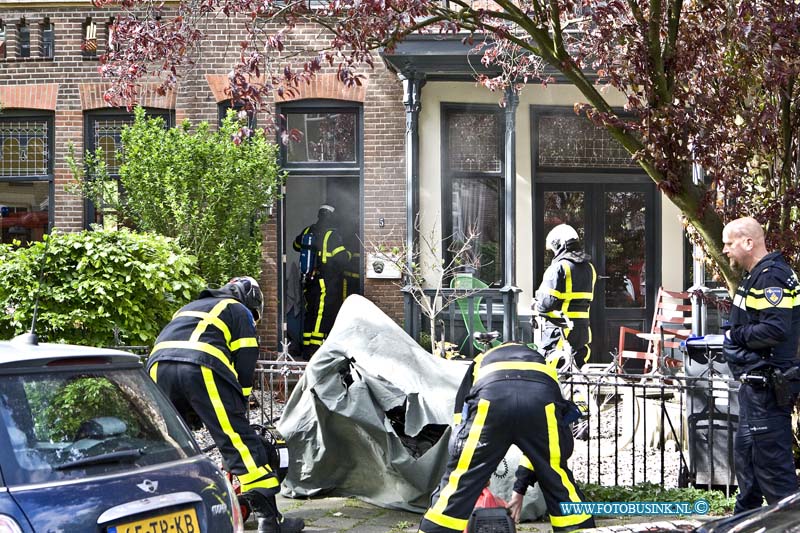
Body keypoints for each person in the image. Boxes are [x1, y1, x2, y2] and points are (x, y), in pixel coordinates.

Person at [147, 277, 305, 533]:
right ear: (250, 299)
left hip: (158, 366)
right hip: (200, 364)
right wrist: (240, 405)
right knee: (239, 442)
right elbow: (245, 361)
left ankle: (167, 513)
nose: (253, 319)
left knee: (172, 442)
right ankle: (270, 521)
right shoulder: (237, 309)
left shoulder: (190, 306)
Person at [417, 342, 595, 533]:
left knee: (459, 483)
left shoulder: (480, 360)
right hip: (540, 403)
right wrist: (520, 488)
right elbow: (539, 453)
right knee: (556, 477)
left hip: (491, 401)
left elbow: (461, 416)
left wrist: (472, 465)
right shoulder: (544, 366)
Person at [721, 216, 800, 514]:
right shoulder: (757, 275)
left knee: (775, 477)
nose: (726, 250)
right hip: (755, 389)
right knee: (749, 471)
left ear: (748, 242)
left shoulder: (771, 278)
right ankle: (742, 522)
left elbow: (774, 329)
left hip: (766, 387)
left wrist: (734, 335)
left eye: (729, 243)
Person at [533, 224, 596, 368]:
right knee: (576, 372)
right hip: (582, 330)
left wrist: (536, 305)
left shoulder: (558, 268)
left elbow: (546, 303)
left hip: (559, 330)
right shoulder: (589, 268)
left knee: (550, 369)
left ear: (559, 244)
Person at [293, 204, 351, 360]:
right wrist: (350, 255)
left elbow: (296, 245)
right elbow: (341, 258)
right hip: (325, 280)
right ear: (332, 217)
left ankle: (306, 347)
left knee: (310, 311)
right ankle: (315, 348)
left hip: (308, 279)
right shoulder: (332, 235)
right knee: (322, 313)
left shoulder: (308, 231)